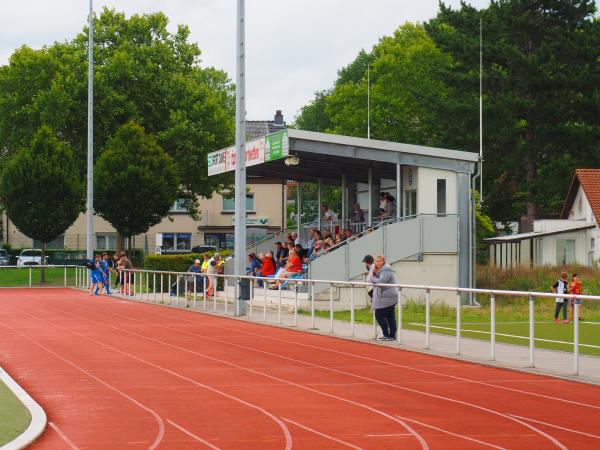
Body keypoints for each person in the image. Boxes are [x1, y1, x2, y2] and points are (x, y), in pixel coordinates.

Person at [366, 254, 398, 340]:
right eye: (376, 261)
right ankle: (391, 336)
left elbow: (381, 281)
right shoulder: (378, 269)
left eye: (380, 261)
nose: (378, 263)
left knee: (379, 314)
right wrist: (372, 278)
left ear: (383, 261)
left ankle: (387, 335)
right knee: (390, 316)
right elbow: (369, 279)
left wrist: (373, 279)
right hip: (386, 296)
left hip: (388, 296)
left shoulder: (386, 269)